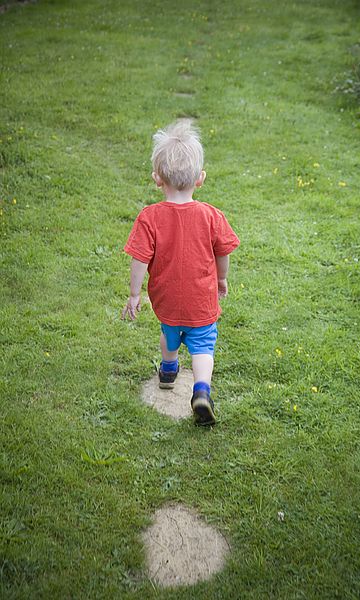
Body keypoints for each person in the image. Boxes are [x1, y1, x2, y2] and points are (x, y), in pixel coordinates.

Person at [121, 119, 239, 425]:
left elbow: (138, 259)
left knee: (168, 333)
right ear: (200, 179)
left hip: (168, 301)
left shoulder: (149, 218)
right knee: (203, 346)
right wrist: (222, 278)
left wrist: (135, 294)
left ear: (157, 178)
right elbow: (223, 252)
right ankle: (201, 390)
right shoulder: (212, 216)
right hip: (202, 301)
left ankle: (169, 368)